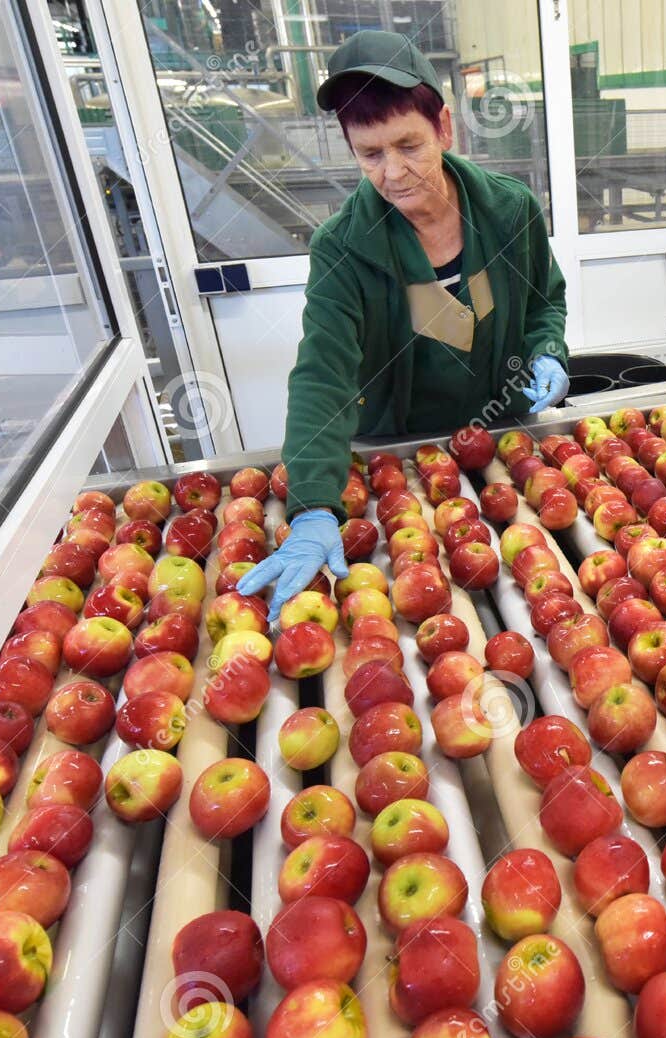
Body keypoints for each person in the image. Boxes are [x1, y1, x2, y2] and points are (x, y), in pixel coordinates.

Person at [239, 30, 568, 619]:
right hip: (400, 461)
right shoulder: (342, 248)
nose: (393, 172)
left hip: (503, 444)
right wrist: (313, 503)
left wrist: (548, 350)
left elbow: (545, 301)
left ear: (444, 127)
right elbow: (323, 373)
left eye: (408, 145)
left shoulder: (510, 210)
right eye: (370, 154)